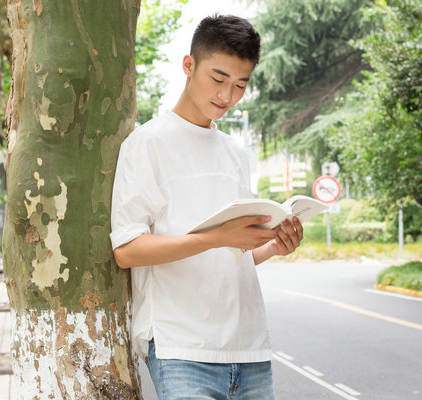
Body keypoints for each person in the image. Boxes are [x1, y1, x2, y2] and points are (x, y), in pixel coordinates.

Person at [109, 14, 304, 400]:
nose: (227, 95)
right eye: (218, 79)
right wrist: (216, 238)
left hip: (249, 347)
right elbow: (127, 250)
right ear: (189, 65)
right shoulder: (147, 143)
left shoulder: (235, 153)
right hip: (182, 349)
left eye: (240, 85)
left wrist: (273, 246)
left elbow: (234, 253)